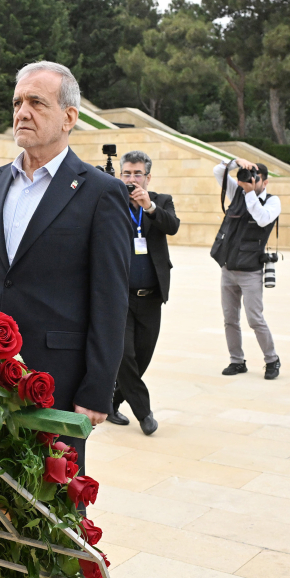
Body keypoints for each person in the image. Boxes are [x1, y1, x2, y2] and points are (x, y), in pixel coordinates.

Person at [0, 61, 132, 473]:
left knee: (52, 505)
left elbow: (110, 300)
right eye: (18, 102)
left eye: (37, 102)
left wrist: (96, 390)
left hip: (55, 381)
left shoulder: (100, 192)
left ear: (69, 117)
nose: (22, 112)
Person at [108, 151, 180, 435]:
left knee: (143, 357)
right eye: (127, 173)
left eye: (137, 174)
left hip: (151, 296)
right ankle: (145, 414)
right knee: (123, 356)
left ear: (147, 177)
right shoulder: (112, 202)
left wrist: (148, 206)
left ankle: (111, 401)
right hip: (120, 296)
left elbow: (172, 226)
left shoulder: (161, 201)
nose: (132, 179)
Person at [211, 158, 281, 380]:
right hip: (228, 267)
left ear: (265, 181)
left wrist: (250, 192)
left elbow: (262, 219)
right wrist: (234, 162)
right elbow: (218, 171)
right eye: (249, 175)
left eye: (256, 177)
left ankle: (272, 360)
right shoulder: (238, 193)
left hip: (251, 270)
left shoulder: (272, 201)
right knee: (230, 318)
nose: (251, 180)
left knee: (254, 319)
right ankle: (236, 360)